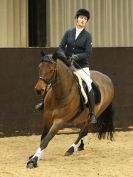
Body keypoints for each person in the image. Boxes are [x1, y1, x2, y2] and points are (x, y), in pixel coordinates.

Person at [35, 8, 97, 124]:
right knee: (53, 80)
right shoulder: (69, 33)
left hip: (81, 66)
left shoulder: (87, 36)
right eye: (81, 18)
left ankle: (92, 113)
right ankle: (43, 103)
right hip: (66, 64)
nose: (82, 20)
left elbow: (88, 53)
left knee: (88, 84)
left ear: (86, 22)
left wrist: (75, 57)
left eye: (85, 19)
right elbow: (61, 47)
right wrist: (64, 56)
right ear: (76, 19)